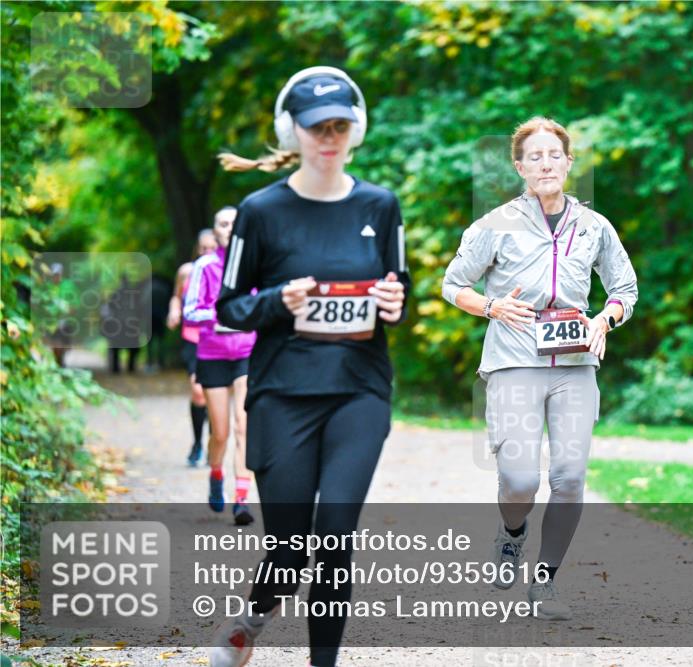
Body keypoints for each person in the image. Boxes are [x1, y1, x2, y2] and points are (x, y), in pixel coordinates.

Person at [209, 66, 408, 667]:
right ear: (291, 131)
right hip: (282, 392)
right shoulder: (260, 210)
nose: (329, 137)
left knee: (335, 538)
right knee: (290, 548)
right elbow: (230, 306)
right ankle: (251, 621)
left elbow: (399, 294)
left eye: (340, 126)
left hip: (359, 390)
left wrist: (396, 305)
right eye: (317, 127)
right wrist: (279, 302)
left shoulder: (381, 204)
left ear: (357, 130)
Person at [441, 116, 638, 620]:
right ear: (519, 166)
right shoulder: (495, 224)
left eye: (555, 155)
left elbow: (624, 290)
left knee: (570, 478)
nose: (546, 163)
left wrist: (605, 319)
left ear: (569, 162)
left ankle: (545, 580)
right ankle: (511, 534)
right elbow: (452, 284)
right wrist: (491, 307)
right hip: (513, 360)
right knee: (520, 480)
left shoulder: (595, 226)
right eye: (535, 156)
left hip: (575, 365)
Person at [182, 208, 256, 525]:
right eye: (223, 224)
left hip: (246, 353)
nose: (229, 228)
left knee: (244, 425)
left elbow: (261, 303)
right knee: (221, 432)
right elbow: (190, 312)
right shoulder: (205, 265)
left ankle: (241, 499)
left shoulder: (254, 265)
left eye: (234, 223)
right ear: (216, 231)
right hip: (212, 354)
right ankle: (215, 474)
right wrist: (220, 315)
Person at [168, 229, 218, 466]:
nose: (207, 252)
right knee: (198, 392)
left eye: (212, 248)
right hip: (192, 337)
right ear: (197, 249)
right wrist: (174, 310)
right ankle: (197, 443)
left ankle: (212, 443)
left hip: (216, 339)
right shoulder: (187, 272)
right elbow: (177, 297)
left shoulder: (223, 271)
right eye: (203, 248)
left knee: (211, 395)